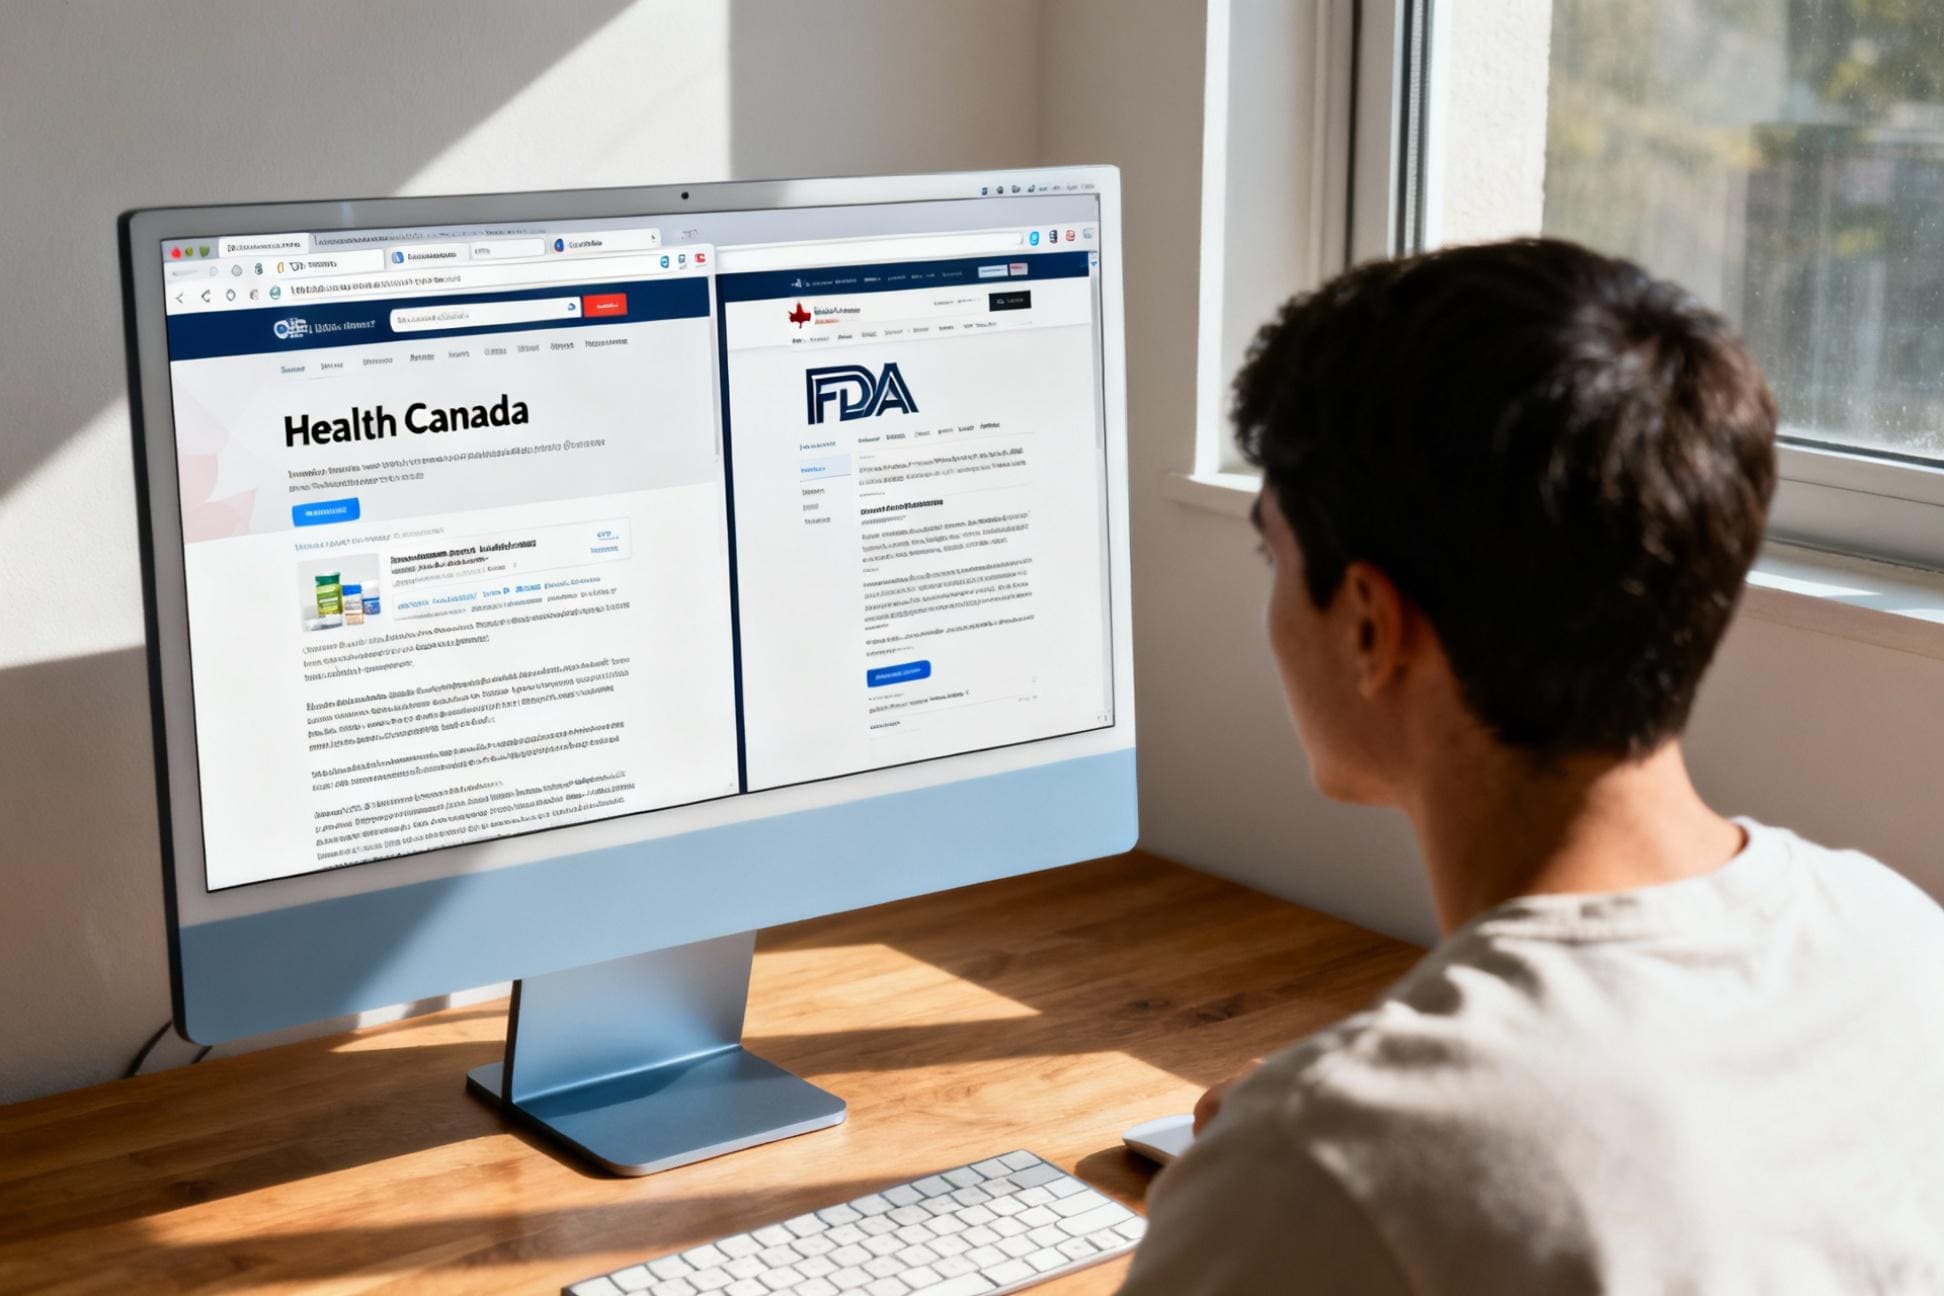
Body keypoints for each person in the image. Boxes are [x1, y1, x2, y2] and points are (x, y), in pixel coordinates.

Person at [1118, 239, 1944, 1293]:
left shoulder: (1335, 1165)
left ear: (1372, 625)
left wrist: (1287, 1167)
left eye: (1271, 555)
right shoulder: (1904, 946)